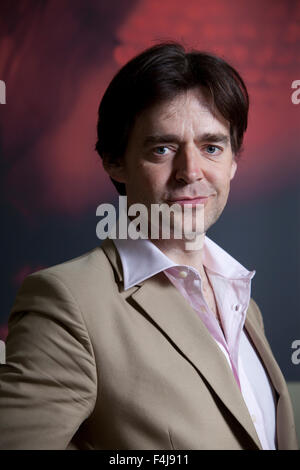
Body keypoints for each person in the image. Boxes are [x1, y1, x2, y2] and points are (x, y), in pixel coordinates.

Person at [0, 42, 297, 450]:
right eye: (163, 148)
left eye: (212, 147)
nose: (191, 171)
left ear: (232, 162)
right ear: (114, 161)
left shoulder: (241, 298)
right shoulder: (67, 303)